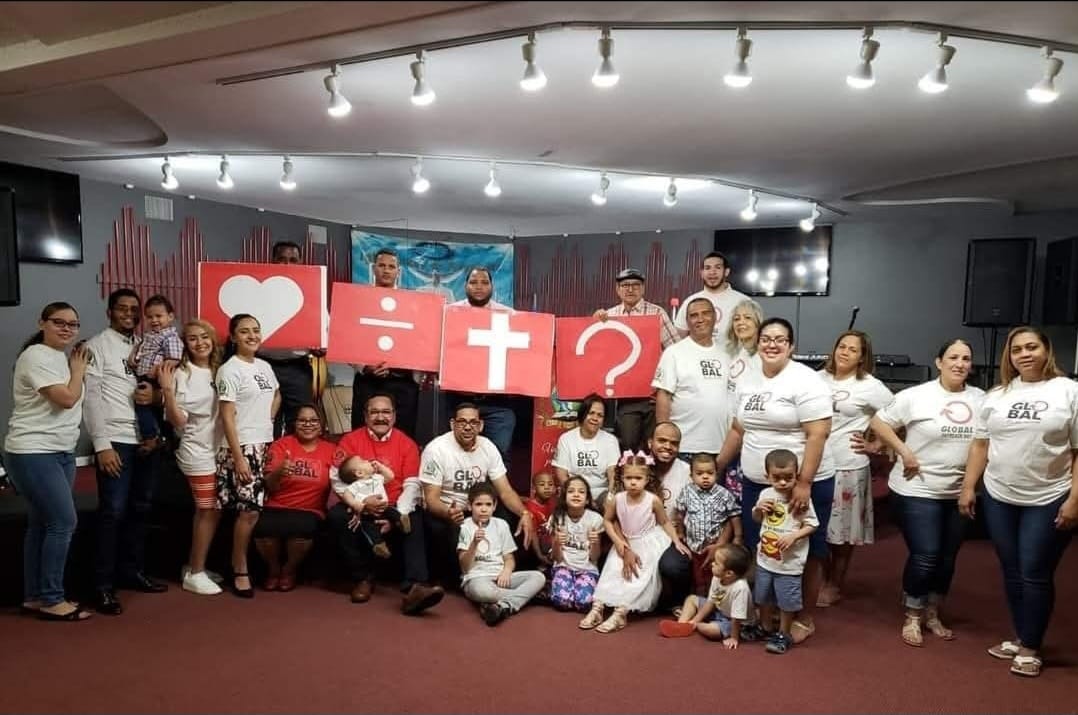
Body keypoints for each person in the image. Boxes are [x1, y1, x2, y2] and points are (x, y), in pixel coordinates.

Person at [959, 326, 1078, 678]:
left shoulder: (1068, 391)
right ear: (1008, 357)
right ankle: (1023, 634)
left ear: (1046, 350)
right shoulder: (997, 395)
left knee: (1034, 570)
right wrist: (969, 487)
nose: (1024, 354)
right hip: (1000, 495)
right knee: (1011, 569)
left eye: (1031, 347)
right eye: (1017, 350)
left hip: (1049, 495)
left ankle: (1030, 646)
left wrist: (1075, 498)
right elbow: (981, 445)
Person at [716, 317, 834, 644]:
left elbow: (818, 433)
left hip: (803, 482)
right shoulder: (749, 379)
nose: (772, 344)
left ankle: (803, 616)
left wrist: (804, 482)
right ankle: (767, 617)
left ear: (791, 346)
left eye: (780, 339)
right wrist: (719, 464)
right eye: (766, 338)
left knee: (806, 549)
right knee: (763, 546)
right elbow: (739, 428)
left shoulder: (806, 380)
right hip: (758, 483)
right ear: (758, 343)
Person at [862, 338, 985, 647]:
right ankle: (913, 613)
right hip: (917, 488)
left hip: (959, 491)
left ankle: (933, 611)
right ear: (939, 362)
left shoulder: (982, 399)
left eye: (966, 358)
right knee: (926, 554)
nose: (960, 364)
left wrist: (970, 487)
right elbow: (879, 421)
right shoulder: (916, 395)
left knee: (947, 557)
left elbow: (984, 444)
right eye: (953, 357)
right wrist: (904, 451)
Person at [4, 303, 91, 621]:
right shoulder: (36, 356)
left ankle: (35, 596)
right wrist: (78, 370)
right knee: (63, 523)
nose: (67, 329)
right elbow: (66, 399)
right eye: (59, 322)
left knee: (42, 524)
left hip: (61, 452)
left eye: (73, 324)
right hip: (33, 451)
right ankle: (53, 599)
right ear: (42, 323)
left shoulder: (59, 357)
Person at [84, 288, 168, 616]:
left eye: (135, 309)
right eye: (122, 309)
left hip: (145, 440)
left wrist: (157, 406)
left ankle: (131, 571)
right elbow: (91, 399)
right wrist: (101, 446)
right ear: (110, 312)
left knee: (141, 509)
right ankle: (102, 585)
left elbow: (162, 391)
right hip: (115, 440)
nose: (130, 314)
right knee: (113, 513)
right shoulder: (96, 346)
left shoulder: (147, 345)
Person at [329, 393, 444, 613]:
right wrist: (361, 505)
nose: (380, 417)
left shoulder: (406, 443)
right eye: (374, 412)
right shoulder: (350, 441)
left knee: (414, 517)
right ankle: (362, 578)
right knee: (337, 516)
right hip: (359, 503)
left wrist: (397, 516)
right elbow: (337, 480)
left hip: (395, 504)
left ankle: (415, 587)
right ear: (365, 416)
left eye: (385, 412)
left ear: (394, 415)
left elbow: (412, 485)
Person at [816, 330, 894, 607]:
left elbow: (897, 416)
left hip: (848, 466)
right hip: (816, 464)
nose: (845, 352)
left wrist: (876, 445)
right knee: (817, 528)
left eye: (853, 349)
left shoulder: (870, 386)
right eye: (842, 346)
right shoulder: (817, 378)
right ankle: (820, 578)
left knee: (842, 534)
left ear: (862, 357)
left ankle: (834, 583)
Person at [421, 402, 537, 583]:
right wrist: (448, 512)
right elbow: (431, 498)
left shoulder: (488, 447)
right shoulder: (436, 449)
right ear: (452, 424)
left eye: (473, 422)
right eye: (462, 422)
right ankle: (463, 579)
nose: (468, 427)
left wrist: (524, 513)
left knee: (514, 521)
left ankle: (505, 573)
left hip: (479, 507)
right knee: (449, 530)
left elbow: (505, 491)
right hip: (448, 509)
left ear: (481, 426)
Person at [579, 451, 690, 633]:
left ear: (647, 479)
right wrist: (618, 542)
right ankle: (597, 608)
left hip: (648, 543)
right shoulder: (617, 499)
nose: (633, 482)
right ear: (622, 478)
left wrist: (676, 541)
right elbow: (608, 520)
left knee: (636, 575)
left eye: (638, 478)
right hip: (625, 541)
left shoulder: (653, 500)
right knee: (613, 571)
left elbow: (664, 522)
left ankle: (621, 613)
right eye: (628, 478)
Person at [216, 313, 280, 598]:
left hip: (263, 443)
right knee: (248, 510)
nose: (252, 335)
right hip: (241, 446)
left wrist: (267, 419)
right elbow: (227, 416)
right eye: (244, 331)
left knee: (252, 510)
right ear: (233, 337)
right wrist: (238, 456)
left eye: (256, 330)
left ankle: (238, 561)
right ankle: (239, 567)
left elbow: (276, 394)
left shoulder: (265, 366)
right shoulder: (229, 370)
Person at [159, 319, 225, 596]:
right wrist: (166, 390)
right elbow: (177, 420)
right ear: (185, 344)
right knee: (207, 510)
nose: (200, 343)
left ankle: (195, 565)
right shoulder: (180, 374)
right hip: (195, 450)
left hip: (219, 448)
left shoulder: (220, 370)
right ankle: (195, 573)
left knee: (213, 510)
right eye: (193, 338)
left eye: (204, 337)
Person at [593, 267, 679, 452]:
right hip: (626, 395)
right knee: (627, 444)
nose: (630, 289)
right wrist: (594, 323)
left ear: (643, 288)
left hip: (654, 394)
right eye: (625, 285)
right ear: (618, 289)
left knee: (654, 446)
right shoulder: (609, 315)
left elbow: (675, 349)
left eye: (635, 285)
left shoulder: (657, 313)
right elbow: (599, 353)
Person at [253, 405, 334, 591]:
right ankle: (274, 570)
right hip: (277, 505)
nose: (308, 424)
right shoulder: (281, 445)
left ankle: (289, 570)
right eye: (302, 420)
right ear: (294, 424)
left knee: (302, 527)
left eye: (313, 420)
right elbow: (270, 486)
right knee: (263, 527)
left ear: (321, 425)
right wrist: (279, 472)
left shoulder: (331, 450)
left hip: (310, 510)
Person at [445, 266, 519, 464]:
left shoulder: (510, 316)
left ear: (492, 286)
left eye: (484, 282)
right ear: (465, 286)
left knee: (499, 455)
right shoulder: (450, 314)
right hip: (459, 399)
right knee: (455, 454)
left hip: (498, 402)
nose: (479, 287)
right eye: (473, 282)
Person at [753, 449, 820, 655]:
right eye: (777, 478)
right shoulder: (766, 494)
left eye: (788, 478)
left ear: (796, 475)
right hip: (765, 559)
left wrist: (794, 536)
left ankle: (784, 633)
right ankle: (765, 627)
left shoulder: (800, 498)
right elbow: (757, 519)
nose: (782, 483)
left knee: (786, 601)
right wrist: (758, 510)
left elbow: (813, 524)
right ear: (767, 476)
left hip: (789, 564)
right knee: (762, 596)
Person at [652, 297, 732, 460]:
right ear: (687, 321)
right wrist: (664, 439)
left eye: (705, 313)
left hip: (720, 446)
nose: (700, 319)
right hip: (683, 446)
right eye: (694, 315)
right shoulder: (674, 353)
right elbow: (663, 396)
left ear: (715, 317)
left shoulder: (727, 354)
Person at [351, 249, 420, 435]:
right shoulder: (359, 300)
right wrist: (365, 367)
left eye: (391, 266)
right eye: (382, 265)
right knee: (363, 434)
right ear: (374, 268)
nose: (386, 270)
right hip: (368, 380)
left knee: (403, 436)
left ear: (398, 271)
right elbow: (349, 337)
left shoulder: (412, 303)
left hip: (402, 381)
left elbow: (418, 341)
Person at [457, 482, 546, 627]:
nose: (483, 509)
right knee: (484, 592)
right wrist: (474, 543)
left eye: (488, 504)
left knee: (538, 577)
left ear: (494, 506)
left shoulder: (501, 524)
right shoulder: (465, 526)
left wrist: (506, 571)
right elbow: (465, 567)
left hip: (501, 577)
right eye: (478, 504)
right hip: (477, 578)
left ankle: (501, 606)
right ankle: (526, 597)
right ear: (469, 506)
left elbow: (509, 558)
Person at [259, 241, 315, 437]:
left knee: (300, 421)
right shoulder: (258, 292)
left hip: (297, 368)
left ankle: (296, 457)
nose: (287, 265)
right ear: (272, 261)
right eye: (282, 260)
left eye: (293, 260)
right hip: (263, 365)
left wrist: (321, 345)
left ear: (300, 263)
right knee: (266, 421)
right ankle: (269, 457)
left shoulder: (312, 291)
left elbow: (323, 330)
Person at [660, 544, 758, 647]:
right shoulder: (717, 577)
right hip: (720, 611)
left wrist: (734, 638)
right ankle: (682, 625)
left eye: (716, 563)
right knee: (691, 599)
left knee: (711, 631)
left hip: (738, 624)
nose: (712, 564)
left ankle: (694, 625)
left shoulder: (740, 588)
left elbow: (736, 619)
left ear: (729, 573)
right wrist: (695, 620)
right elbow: (711, 602)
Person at [673, 453, 742, 596]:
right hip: (693, 545)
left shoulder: (724, 494)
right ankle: (699, 598)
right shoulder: (687, 492)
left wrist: (737, 536)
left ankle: (714, 600)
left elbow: (734, 516)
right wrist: (680, 532)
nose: (705, 477)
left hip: (716, 546)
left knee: (715, 575)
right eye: (699, 473)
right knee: (697, 576)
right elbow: (680, 513)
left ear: (717, 474)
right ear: (691, 476)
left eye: (710, 473)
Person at [722, 298, 764, 502]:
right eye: (737, 318)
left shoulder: (763, 358)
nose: (741, 322)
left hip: (749, 440)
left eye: (748, 318)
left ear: (759, 323)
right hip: (729, 435)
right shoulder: (735, 353)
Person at [128, 294, 182, 454]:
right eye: (150, 317)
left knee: (144, 405)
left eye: (159, 316)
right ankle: (164, 437)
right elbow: (141, 350)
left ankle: (151, 438)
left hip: (157, 378)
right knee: (152, 410)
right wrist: (133, 358)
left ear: (170, 316)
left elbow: (175, 358)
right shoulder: (150, 335)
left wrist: (159, 368)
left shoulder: (170, 336)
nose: (154, 320)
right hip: (144, 375)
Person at [550, 394, 620, 508]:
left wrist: (611, 496)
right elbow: (561, 475)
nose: (595, 418)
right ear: (583, 414)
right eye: (591, 413)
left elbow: (613, 474)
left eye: (600, 415)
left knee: (612, 503)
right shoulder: (566, 439)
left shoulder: (610, 440)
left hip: (601, 492)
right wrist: (580, 496)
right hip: (575, 491)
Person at [546, 476, 604, 612]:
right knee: (562, 602)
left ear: (587, 499)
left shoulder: (595, 519)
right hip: (563, 567)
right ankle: (554, 587)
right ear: (564, 497)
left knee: (583, 603)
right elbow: (556, 558)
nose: (576, 494)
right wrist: (557, 542)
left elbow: (595, 557)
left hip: (587, 569)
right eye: (571, 491)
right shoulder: (557, 517)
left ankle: (572, 589)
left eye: (581, 492)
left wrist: (595, 542)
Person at [335, 456, 404, 558]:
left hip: (384, 507)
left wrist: (380, 467)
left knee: (393, 512)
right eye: (363, 461)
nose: (368, 461)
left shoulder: (377, 478)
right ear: (359, 473)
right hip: (367, 514)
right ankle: (378, 545)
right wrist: (354, 504)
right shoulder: (356, 485)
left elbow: (390, 476)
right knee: (368, 528)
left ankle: (401, 521)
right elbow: (346, 495)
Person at [674, 251, 749, 342]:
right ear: (702, 273)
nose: (712, 272)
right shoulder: (690, 301)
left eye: (717, 267)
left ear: (726, 272)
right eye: (707, 268)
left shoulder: (743, 301)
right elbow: (679, 338)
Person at [525, 471, 558, 563]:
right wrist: (539, 555)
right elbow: (533, 534)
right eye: (542, 484)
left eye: (550, 484)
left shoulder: (553, 503)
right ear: (534, 489)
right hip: (537, 548)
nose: (547, 487)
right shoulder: (531, 508)